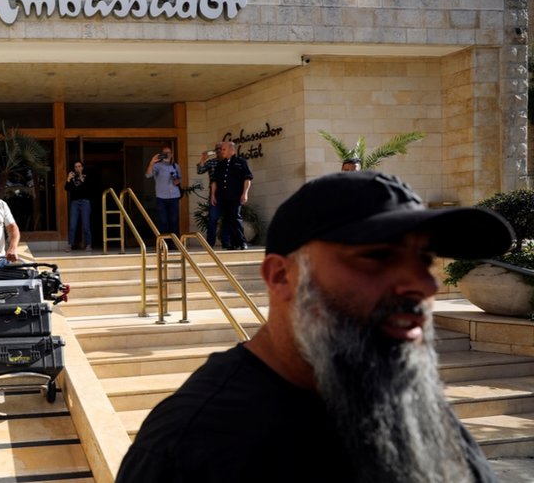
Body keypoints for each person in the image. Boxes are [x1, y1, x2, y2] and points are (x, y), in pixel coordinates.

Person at [116, 171, 514, 483]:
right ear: (281, 277)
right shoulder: (195, 446)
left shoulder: (409, 404)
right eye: (376, 256)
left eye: (425, 260)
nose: (425, 285)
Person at [210, 141, 253, 250]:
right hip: (222, 197)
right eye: (221, 149)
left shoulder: (241, 162)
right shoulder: (220, 164)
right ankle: (233, 243)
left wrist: (245, 193)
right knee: (227, 220)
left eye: (224, 149)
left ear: (231, 150)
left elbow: (247, 179)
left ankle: (242, 242)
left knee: (235, 218)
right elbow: (214, 181)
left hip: (235, 196)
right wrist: (213, 195)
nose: (221, 151)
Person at [196, 142, 230, 248]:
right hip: (215, 195)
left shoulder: (230, 162)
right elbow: (200, 170)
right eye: (217, 149)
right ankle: (210, 244)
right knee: (213, 219)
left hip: (228, 194)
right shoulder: (211, 162)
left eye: (221, 149)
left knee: (227, 219)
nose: (219, 151)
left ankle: (226, 242)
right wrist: (203, 159)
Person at [145, 144, 182, 238]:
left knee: (173, 221)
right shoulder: (157, 166)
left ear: (172, 154)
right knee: (163, 221)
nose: (167, 154)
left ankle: (174, 243)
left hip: (174, 196)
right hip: (162, 197)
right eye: (164, 153)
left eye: (168, 153)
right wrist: (151, 162)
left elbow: (180, 179)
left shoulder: (176, 166)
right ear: (161, 154)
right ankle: (164, 243)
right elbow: (148, 175)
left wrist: (177, 181)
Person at [64, 160, 92, 252]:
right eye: (76, 167)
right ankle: (70, 245)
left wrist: (81, 177)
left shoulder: (86, 177)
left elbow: (87, 188)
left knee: (86, 225)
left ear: (82, 167)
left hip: (85, 202)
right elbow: (67, 188)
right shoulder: (72, 177)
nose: (77, 168)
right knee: (72, 225)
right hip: (75, 203)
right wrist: (68, 178)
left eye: (79, 166)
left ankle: (88, 244)